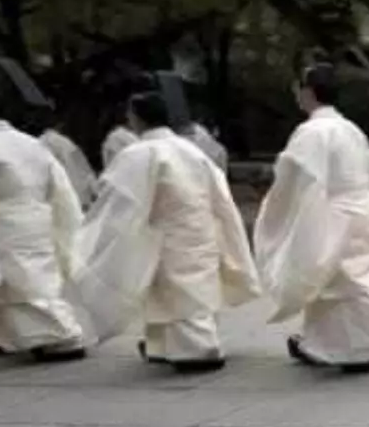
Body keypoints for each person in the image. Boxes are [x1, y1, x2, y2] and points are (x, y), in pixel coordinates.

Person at [73, 90, 259, 373]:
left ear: (137, 118)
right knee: (183, 291)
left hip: (167, 232)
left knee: (179, 293)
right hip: (200, 228)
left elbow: (118, 197)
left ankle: (199, 348)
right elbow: (219, 194)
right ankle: (161, 344)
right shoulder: (191, 150)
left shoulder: (139, 153)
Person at [252, 64, 369, 374]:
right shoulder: (351, 130)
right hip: (361, 212)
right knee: (358, 280)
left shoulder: (311, 132)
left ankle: (345, 349)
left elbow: (296, 182)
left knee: (333, 281)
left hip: (332, 214)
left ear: (308, 91)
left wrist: (279, 210)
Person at [0, 83, 87, 362]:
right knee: (30, 280)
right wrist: (65, 222)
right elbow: (60, 188)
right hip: (38, 219)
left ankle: (62, 335)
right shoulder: (33, 144)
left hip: (0, 224)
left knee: (22, 285)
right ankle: (3, 335)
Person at [33, 104, 96, 208]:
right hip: (74, 198)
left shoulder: (36, 144)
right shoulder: (64, 144)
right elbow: (80, 171)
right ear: (60, 124)